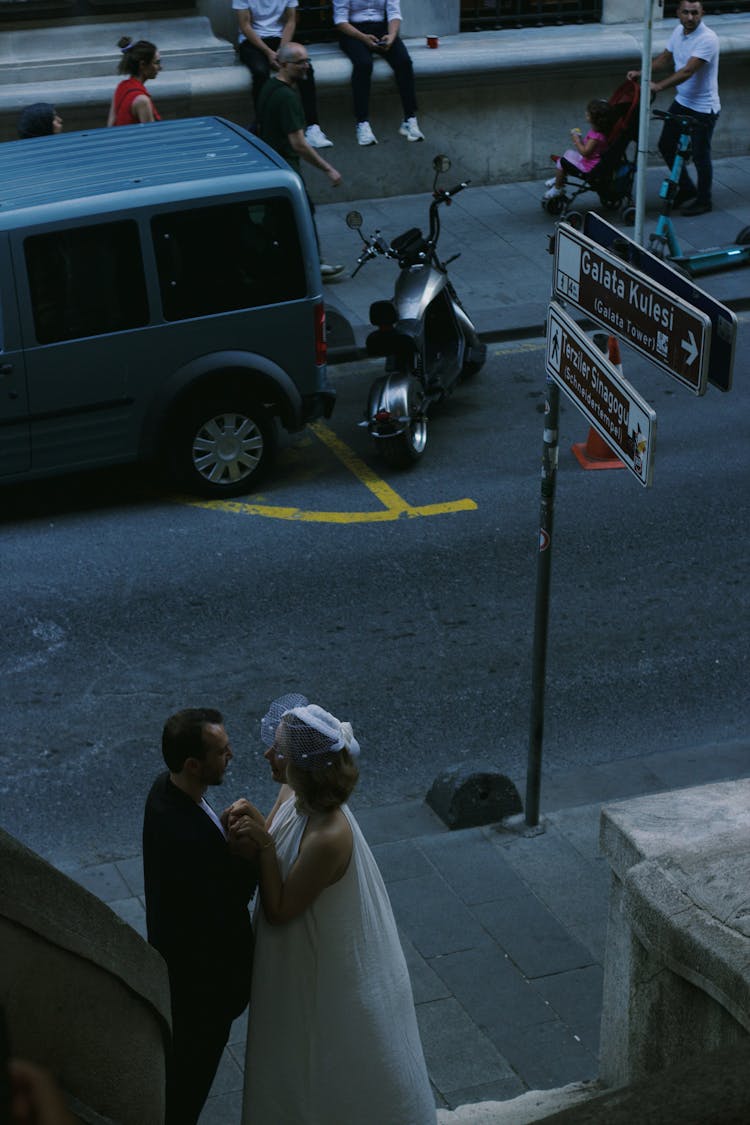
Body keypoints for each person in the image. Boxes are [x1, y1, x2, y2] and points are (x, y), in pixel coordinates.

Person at [228, 695, 436, 1124]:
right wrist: (255, 830)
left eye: (279, 750)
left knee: (318, 1061)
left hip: (317, 970)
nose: (268, 753)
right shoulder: (292, 791)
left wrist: (263, 845)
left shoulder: (329, 835)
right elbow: (276, 838)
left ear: (302, 767)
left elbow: (282, 906)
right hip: (294, 961)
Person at [142, 708, 258, 1125]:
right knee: (186, 1093)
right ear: (193, 764)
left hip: (182, 981)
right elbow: (227, 900)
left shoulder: (165, 793)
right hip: (204, 994)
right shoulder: (185, 837)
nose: (232, 754)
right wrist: (249, 858)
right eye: (221, 751)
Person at [256, 43, 345, 280]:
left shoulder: (270, 87)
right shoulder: (286, 97)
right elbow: (298, 143)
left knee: (282, 217)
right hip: (286, 167)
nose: (306, 67)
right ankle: (313, 265)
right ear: (283, 64)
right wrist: (328, 169)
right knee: (301, 212)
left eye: (307, 61)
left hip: (273, 165)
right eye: (301, 63)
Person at [627, 0, 720, 215]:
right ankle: (687, 190)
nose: (690, 18)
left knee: (700, 155)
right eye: (685, 12)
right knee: (666, 144)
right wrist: (643, 72)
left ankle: (704, 201)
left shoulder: (708, 39)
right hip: (683, 102)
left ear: (702, 12)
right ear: (678, 12)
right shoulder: (679, 31)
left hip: (704, 108)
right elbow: (666, 59)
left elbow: (688, 71)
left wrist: (658, 85)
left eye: (694, 13)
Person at [233, 0, 333, 148]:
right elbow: (245, 25)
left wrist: (282, 51)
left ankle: (313, 128)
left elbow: (291, 20)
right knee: (260, 72)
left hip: (280, 39)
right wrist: (268, 52)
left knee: (306, 68)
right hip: (252, 42)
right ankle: (263, 126)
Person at [334, 0, 423, 146]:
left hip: (382, 28)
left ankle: (409, 118)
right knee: (364, 64)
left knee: (404, 62)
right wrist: (363, 37)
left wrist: (392, 36)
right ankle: (362, 123)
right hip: (352, 31)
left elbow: (394, 13)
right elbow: (340, 21)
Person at [543, 98, 611, 202]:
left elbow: (585, 152)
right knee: (567, 154)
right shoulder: (597, 132)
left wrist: (576, 140)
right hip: (590, 160)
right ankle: (560, 179)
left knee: (562, 161)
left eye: (588, 114)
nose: (586, 114)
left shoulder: (596, 137)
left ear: (595, 119)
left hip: (588, 166)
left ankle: (558, 188)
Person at [107, 37, 162, 126]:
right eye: (156, 63)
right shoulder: (142, 101)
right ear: (142, 64)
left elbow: (110, 126)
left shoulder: (121, 87)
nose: (160, 67)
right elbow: (151, 137)